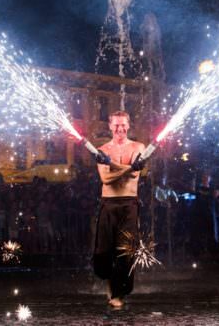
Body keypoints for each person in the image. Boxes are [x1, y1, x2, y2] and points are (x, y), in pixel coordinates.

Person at [92, 110, 146, 308]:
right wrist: (130, 167)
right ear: (109, 125)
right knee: (104, 252)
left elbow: (134, 177)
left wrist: (112, 164)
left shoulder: (138, 146)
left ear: (129, 125)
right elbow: (105, 179)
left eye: (123, 124)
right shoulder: (102, 149)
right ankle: (111, 287)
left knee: (127, 251)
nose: (120, 128)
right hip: (108, 204)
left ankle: (119, 294)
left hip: (129, 204)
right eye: (116, 125)